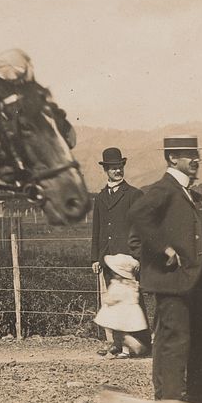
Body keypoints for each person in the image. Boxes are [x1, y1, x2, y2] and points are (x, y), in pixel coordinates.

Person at [128, 135, 202, 403]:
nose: (196, 160)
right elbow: (138, 216)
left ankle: (198, 395)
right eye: (189, 155)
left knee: (199, 338)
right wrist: (163, 248)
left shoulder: (192, 194)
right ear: (172, 158)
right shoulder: (163, 189)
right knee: (173, 342)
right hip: (171, 281)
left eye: (197, 155)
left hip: (194, 280)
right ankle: (170, 402)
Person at [90, 147, 148, 357]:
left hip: (127, 257)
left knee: (132, 300)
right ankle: (117, 343)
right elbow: (97, 229)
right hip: (108, 257)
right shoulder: (100, 197)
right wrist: (95, 258)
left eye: (119, 167)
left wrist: (139, 256)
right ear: (105, 170)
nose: (117, 171)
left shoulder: (133, 195)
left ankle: (140, 344)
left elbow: (142, 227)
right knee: (113, 299)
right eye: (113, 168)